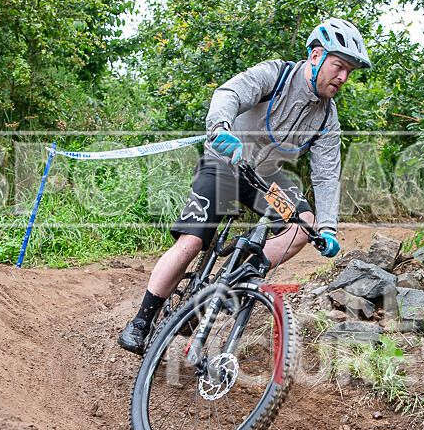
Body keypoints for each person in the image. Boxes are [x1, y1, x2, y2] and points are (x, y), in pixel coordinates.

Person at [118, 18, 372, 355]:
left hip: (264, 180)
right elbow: (230, 93)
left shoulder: (327, 119)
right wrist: (221, 128)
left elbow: (326, 174)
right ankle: (141, 321)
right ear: (315, 57)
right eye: (339, 66)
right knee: (192, 241)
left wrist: (327, 227)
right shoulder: (276, 75)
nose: (343, 77)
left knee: (304, 226)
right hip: (223, 164)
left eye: (349, 71)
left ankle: (230, 280)